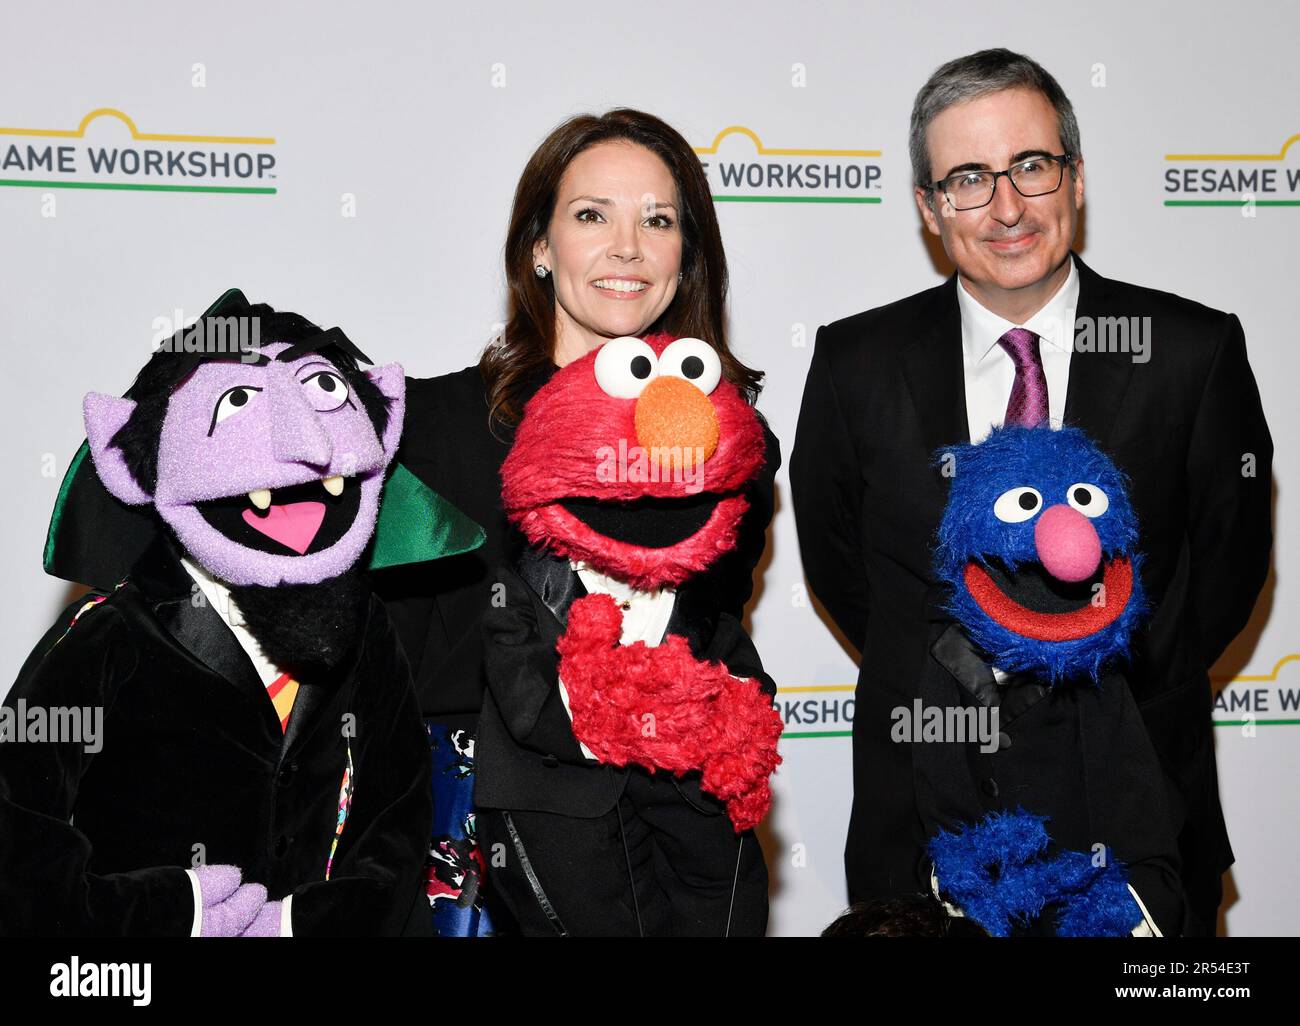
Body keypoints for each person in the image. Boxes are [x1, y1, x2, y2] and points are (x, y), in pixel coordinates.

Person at [789, 48, 1272, 937]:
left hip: (1142, 823)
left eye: (1032, 167)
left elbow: (1227, 571)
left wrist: (1105, 688)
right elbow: (850, 573)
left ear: (1076, 179)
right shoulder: (855, 363)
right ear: (931, 208)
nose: (1006, 207)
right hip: (922, 824)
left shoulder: (1188, 353)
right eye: (968, 179)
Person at [376, 108, 780, 934]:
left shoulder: (733, 444)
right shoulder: (431, 427)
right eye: (592, 215)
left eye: (658, 221)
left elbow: (712, 625)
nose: (627, 248)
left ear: (686, 256)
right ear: (538, 245)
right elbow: (388, 660)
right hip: (469, 855)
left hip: (682, 844)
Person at [2, 293, 432, 936]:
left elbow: (396, 812)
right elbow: (15, 822)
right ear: (130, 463)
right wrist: (163, 915)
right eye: (237, 399)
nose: (303, 443)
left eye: (321, 388)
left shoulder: (365, 627)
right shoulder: (113, 634)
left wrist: (313, 923)